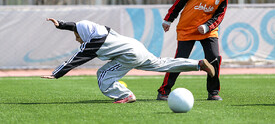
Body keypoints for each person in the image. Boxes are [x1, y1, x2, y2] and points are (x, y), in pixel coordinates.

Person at [42, 18, 215, 103]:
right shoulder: (100, 30)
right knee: (163, 64)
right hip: (136, 47)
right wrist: (62, 25)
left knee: (102, 75)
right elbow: (80, 26)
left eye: (76, 35)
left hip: (129, 55)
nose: (76, 38)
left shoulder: (93, 43)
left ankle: (125, 95)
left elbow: (75, 60)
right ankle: (197, 64)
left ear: (84, 34)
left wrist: (57, 74)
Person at [156, 0, 230, 101]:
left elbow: (220, 15)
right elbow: (180, 2)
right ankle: (164, 91)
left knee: (214, 58)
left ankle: (213, 92)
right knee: (180, 60)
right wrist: (168, 20)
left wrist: (207, 26)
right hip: (187, 28)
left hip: (208, 31)